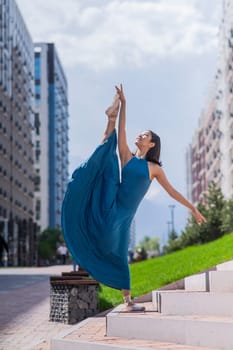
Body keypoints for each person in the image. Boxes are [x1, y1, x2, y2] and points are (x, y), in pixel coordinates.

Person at [62, 84, 206, 311]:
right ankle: (110, 117)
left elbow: (172, 192)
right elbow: (124, 130)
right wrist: (123, 105)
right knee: (109, 156)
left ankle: (127, 301)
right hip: (111, 204)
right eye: (141, 133)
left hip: (123, 219)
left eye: (145, 135)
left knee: (120, 253)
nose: (140, 135)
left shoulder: (153, 168)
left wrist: (193, 208)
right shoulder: (127, 157)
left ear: (152, 144)